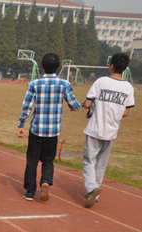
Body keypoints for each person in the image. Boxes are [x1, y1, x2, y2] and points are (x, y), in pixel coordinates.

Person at [17, 53, 80, 201]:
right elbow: (74, 104)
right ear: (58, 67)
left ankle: (30, 191)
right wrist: (73, 107)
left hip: (36, 129)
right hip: (53, 131)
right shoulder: (64, 84)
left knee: (32, 160)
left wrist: (21, 124)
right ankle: (45, 181)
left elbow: (27, 106)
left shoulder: (35, 84)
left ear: (42, 66)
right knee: (48, 160)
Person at [81, 53, 135, 208]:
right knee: (101, 163)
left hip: (95, 129)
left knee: (89, 160)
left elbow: (86, 104)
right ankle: (95, 191)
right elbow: (126, 112)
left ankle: (92, 188)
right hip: (112, 131)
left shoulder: (101, 81)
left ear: (111, 66)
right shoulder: (128, 87)